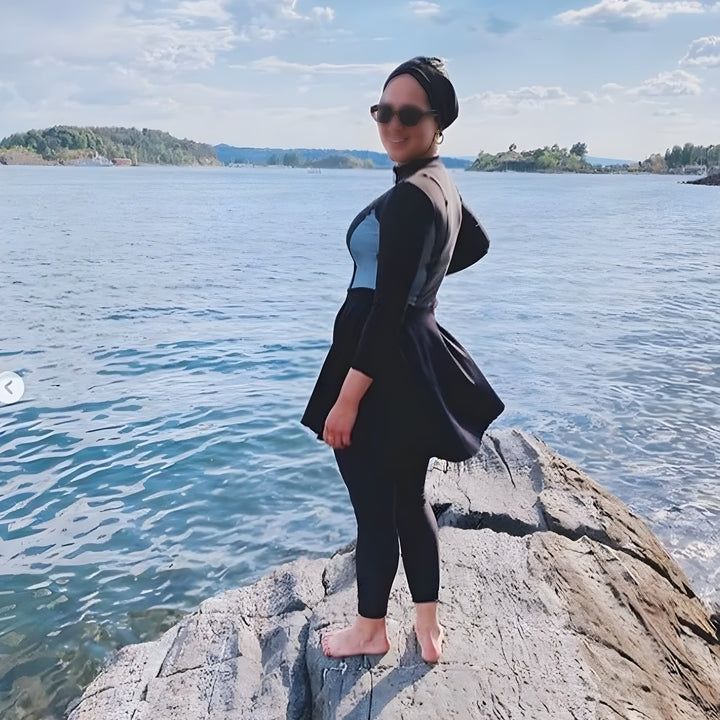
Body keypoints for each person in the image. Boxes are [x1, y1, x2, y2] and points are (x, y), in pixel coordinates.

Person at [301, 56, 504, 663]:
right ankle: (427, 626)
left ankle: (370, 630)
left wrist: (346, 398)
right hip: (411, 355)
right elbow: (475, 243)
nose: (392, 123)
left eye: (407, 114)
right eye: (383, 111)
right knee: (409, 498)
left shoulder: (414, 195)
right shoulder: (439, 182)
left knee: (374, 506)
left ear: (438, 121)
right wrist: (426, 286)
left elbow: (385, 310)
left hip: (378, 362)